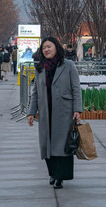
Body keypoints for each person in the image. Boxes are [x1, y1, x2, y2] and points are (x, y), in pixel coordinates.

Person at [27, 37, 82, 189]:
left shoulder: (68, 65)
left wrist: (77, 109)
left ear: (56, 47)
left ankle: (60, 176)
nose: (46, 50)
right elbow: (36, 92)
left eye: (49, 47)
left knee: (62, 146)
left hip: (64, 111)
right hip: (46, 112)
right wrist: (31, 112)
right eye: (44, 47)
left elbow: (76, 88)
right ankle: (52, 173)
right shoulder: (40, 68)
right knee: (47, 145)